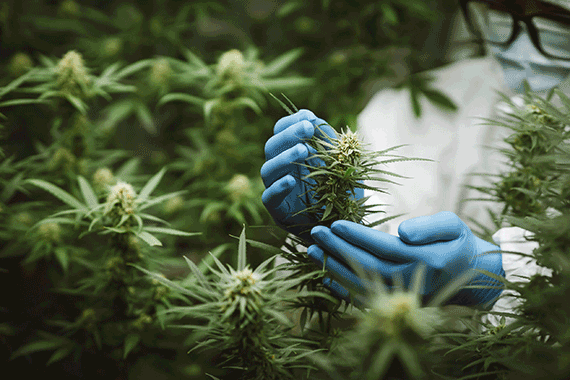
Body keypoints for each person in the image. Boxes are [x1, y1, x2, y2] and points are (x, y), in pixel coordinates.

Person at [261, 0, 570, 319]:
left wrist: (505, 275)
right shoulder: (416, 106)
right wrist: (329, 220)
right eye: (506, 5)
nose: (522, 26)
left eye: (554, 16)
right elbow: (311, 331)